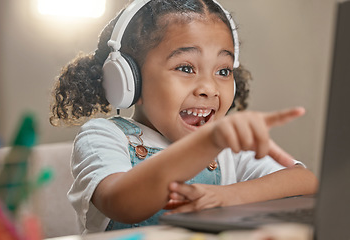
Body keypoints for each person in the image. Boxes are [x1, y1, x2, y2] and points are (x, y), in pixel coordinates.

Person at [49, 0, 318, 234]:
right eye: (186, 67)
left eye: (223, 71)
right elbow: (123, 204)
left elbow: (305, 181)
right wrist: (207, 143)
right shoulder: (103, 137)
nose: (209, 88)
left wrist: (229, 195)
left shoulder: (223, 149)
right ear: (129, 80)